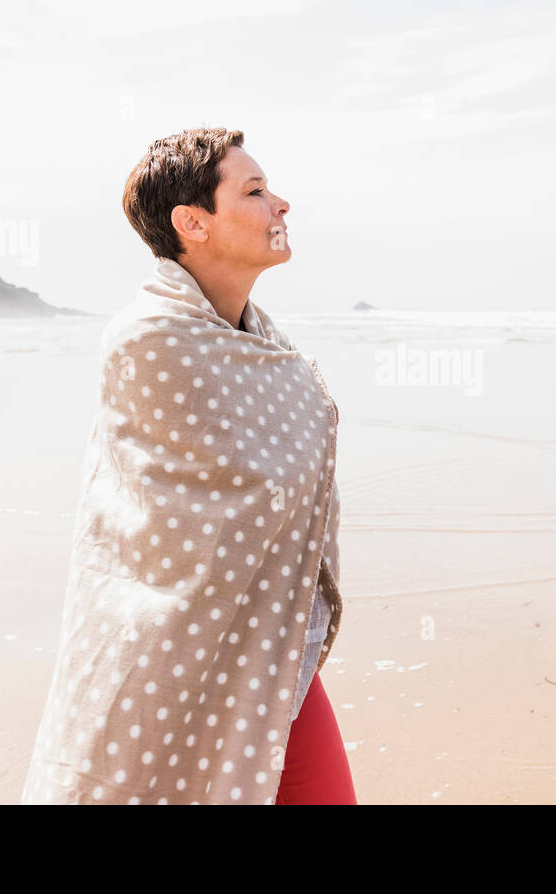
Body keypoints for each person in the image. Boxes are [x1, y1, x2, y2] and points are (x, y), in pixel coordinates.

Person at [20, 127, 355, 804]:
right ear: (192, 222)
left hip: (270, 641)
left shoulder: (268, 346)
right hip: (169, 655)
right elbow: (185, 520)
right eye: (256, 191)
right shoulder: (147, 340)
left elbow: (276, 477)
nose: (281, 204)